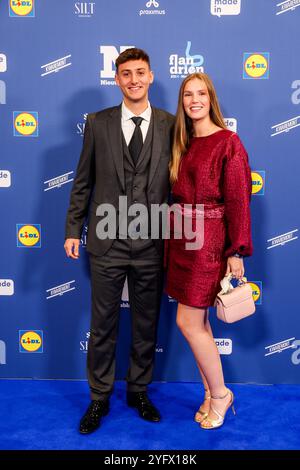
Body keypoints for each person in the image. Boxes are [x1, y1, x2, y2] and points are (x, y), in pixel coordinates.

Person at [64, 48, 174, 434]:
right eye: (126, 73)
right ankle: (99, 399)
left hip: (153, 241)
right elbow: (83, 183)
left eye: (140, 72)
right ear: (116, 80)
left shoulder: (171, 124)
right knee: (103, 323)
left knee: (146, 323)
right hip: (106, 241)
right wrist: (71, 229)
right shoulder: (98, 123)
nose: (134, 80)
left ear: (151, 76)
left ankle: (139, 391)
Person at [165, 72, 253, 430]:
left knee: (187, 321)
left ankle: (220, 395)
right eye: (188, 94)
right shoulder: (183, 143)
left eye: (201, 93)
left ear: (211, 98)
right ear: (182, 101)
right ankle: (208, 392)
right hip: (182, 239)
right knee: (196, 322)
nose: (194, 100)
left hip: (210, 244)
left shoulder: (228, 142)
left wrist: (237, 251)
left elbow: (238, 200)